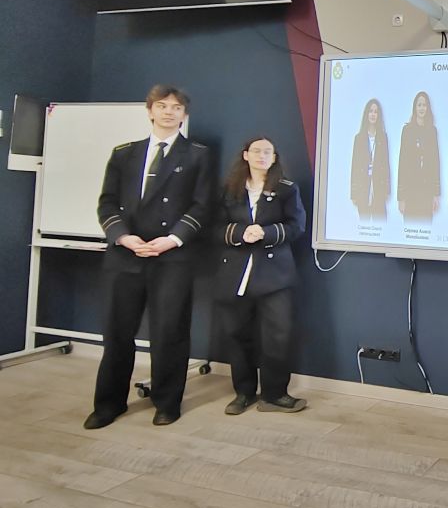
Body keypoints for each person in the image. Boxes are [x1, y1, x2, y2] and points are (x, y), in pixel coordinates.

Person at [85, 84, 212, 429]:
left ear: (184, 115)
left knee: (170, 332)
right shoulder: (124, 153)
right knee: (117, 333)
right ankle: (109, 404)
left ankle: (167, 403)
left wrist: (171, 240)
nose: (169, 112)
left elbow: (202, 206)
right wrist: (123, 237)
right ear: (150, 111)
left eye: (176, 107)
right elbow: (107, 203)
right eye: (162, 105)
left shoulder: (198, 155)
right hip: (126, 255)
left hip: (171, 257)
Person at [213, 136, 307, 415]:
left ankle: (274, 394)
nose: (262, 155)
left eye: (268, 152)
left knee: (278, 335)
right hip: (236, 274)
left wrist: (266, 233)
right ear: (245, 155)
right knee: (237, 334)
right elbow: (214, 228)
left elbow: (296, 226)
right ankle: (243, 393)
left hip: (275, 276)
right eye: (256, 151)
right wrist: (240, 233)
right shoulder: (228, 189)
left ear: (274, 158)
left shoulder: (287, 189)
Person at [397, 91, 441, 224]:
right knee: (410, 229)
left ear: (428, 108)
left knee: (425, 229)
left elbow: (435, 163)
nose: (422, 108)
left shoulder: (432, 131)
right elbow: (402, 164)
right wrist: (401, 198)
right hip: (410, 191)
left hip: (427, 191)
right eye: (419, 105)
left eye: (424, 105)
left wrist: (435, 194)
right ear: (415, 108)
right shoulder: (407, 130)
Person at [350, 98, 391, 222]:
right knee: (364, 223)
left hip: (379, 187)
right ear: (366, 114)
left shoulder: (383, 137)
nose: (373, 114)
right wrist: (354, 193)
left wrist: (387, 189)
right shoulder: (359, 138)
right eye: (371, 111)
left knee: (381, 222)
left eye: (376, 112)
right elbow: (355, 167)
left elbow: (386, 164)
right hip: (363, 188)